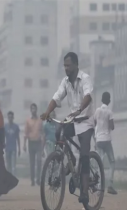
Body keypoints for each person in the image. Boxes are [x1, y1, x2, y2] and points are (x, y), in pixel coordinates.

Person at [41, 52, 94, 203]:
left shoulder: (85, 78)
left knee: (84, 155)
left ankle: (84, 191)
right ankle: (68, 161)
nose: (66, 68)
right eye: (64, 66)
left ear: (76, 65)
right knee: (59, 131)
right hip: (73, 119)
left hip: (86, 120)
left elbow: (88, 96)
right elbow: (56, 97)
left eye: (68, 65)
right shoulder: (65, 82)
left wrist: (80, 109)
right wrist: (47, 112)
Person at [94, 92, 118, 195]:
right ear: (109, 100)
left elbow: (94, 123)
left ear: (101, 100)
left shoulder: (97, 111)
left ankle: (99, 187)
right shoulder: (109, 112)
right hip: (107, 139)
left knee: (100, 163)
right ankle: (110, 185)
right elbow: (112, 127)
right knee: (112, 161)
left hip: (98, 139)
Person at [24, 103, 44, 186]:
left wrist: (43, 146)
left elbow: (42, 133)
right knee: (32, 163)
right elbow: (26, 133)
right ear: (30, 110)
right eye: (32, 108)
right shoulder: (28, 120)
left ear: (36, 110)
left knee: (39, 161)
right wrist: (24, 145)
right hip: (31, 142)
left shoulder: (40, 120)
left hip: (38, 142)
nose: (33, 110)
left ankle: (38, 179)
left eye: (34, 108)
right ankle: (32, 180)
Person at [4, 111, 20, 175]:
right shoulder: (5, 126)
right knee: (8, 166)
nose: (10, 118)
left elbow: (18, 138)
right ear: (7, 118)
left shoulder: (16, 127)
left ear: (13, 118)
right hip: (7, 148)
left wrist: (19, 148)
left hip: (13, 148)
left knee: (13, 166)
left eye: (11, 117)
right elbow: (3, 137)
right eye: (9, 117)